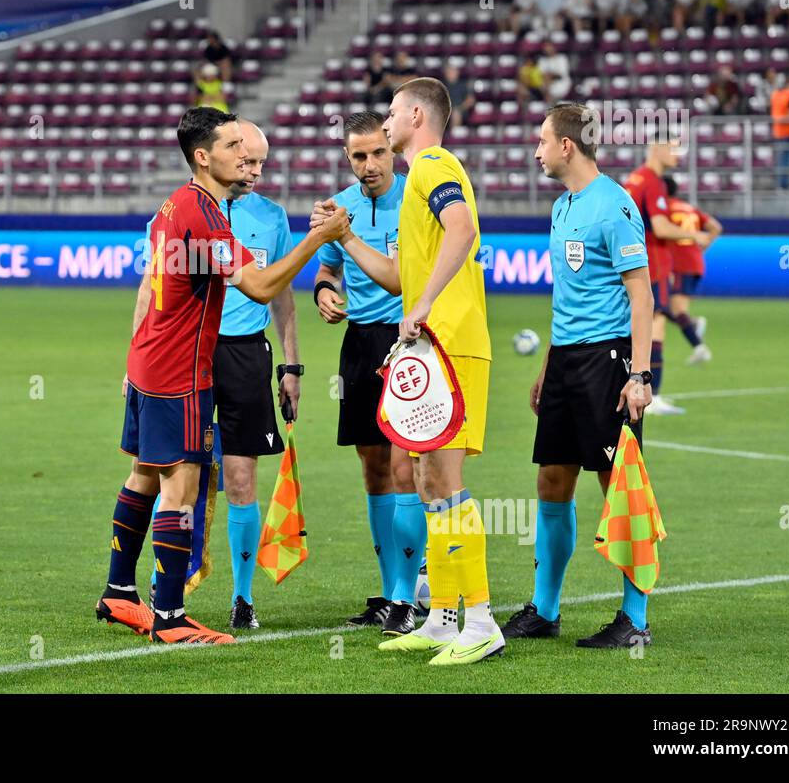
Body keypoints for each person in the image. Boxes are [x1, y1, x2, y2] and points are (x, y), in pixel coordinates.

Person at [96, 107, 348, 645]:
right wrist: (316, 238)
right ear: (204, 157)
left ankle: (120, 591)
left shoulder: (175, 204)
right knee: (181, 487)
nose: (246, 155)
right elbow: (259, 286)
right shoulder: (205, 214)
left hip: (148, 359)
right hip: (179, 370)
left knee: (143, 473)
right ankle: (169, 615)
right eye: (234, 145)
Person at [319, 78, 499, 665]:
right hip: (434, 346)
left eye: (393, 111)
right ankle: (446, 616)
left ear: (415, 113)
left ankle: (480, 621)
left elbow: (463, 230)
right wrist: (348, 238)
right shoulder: (422, 175)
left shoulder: (432, 164)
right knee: (427, 482)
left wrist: (422, 308)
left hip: (451, 344)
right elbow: (401, 278)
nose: (387, 122)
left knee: (444, 483)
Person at [131, 121, 301, 631]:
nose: (253, 167)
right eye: (244, 155)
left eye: (260, 160)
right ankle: (168, 601)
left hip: (244, 356)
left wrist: (291, 364)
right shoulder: (195, 211)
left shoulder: (267, 217)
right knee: (179, 476)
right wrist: (132, 362)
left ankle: (241, 597)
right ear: (216, 155)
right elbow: (152, 287)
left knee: (239, 476)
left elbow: (282, 295)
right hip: (187, 356)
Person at [502, 102, 656, 649]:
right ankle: (545, 611)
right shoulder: (563, 206)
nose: (536, 150)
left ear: (566, 146)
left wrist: (640, 374)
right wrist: (549, 362)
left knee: (620, 487)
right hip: (567, 361)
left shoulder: (614, 206)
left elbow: (642, 295)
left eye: (542, 141)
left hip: (608, 362)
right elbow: (566, 295)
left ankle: (634, 620)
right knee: (552, 480)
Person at [310, 111, 419, 636]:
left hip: (406, 343)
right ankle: (391, 589)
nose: (369, 164)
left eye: (378, 152)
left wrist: (346, 237)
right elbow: (328, 267)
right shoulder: (343, 206)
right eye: (358, 155)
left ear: (392, 150)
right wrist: (325, 292)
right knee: (373, 469)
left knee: (404, 470)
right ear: (347, 157)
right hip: (359, 345)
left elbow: (399, 281)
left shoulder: (415, 198)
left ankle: (408, 594)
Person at [623, 142, 711, 416]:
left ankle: (648, 391)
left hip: (636, 258)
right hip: (652, 261)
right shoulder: (651, 181)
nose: (677, 155)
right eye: (672, 149)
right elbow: (660, 227)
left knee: (650, 322)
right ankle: (652, 394)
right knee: (655, 323)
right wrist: (695, 236)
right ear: (657, 149)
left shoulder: (635, 179)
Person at [664, 175, 722, 365]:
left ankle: (699, 347)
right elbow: (715, 227)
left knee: (674, 308)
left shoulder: (665, 209)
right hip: (694, 262)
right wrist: (699, 248)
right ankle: (694, 326)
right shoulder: (688, 208)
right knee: (663, 306)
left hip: (680, 264)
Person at [442, 63, 476, 127]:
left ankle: (454, 135)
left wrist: (459, 108)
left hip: (460, 110)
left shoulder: (463, 85)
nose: (451, 74)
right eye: (449, 72)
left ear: (457, 73)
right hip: (445, 110)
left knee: (456, 114)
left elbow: (471, 100)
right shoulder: (441, 85)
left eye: (453, 72)